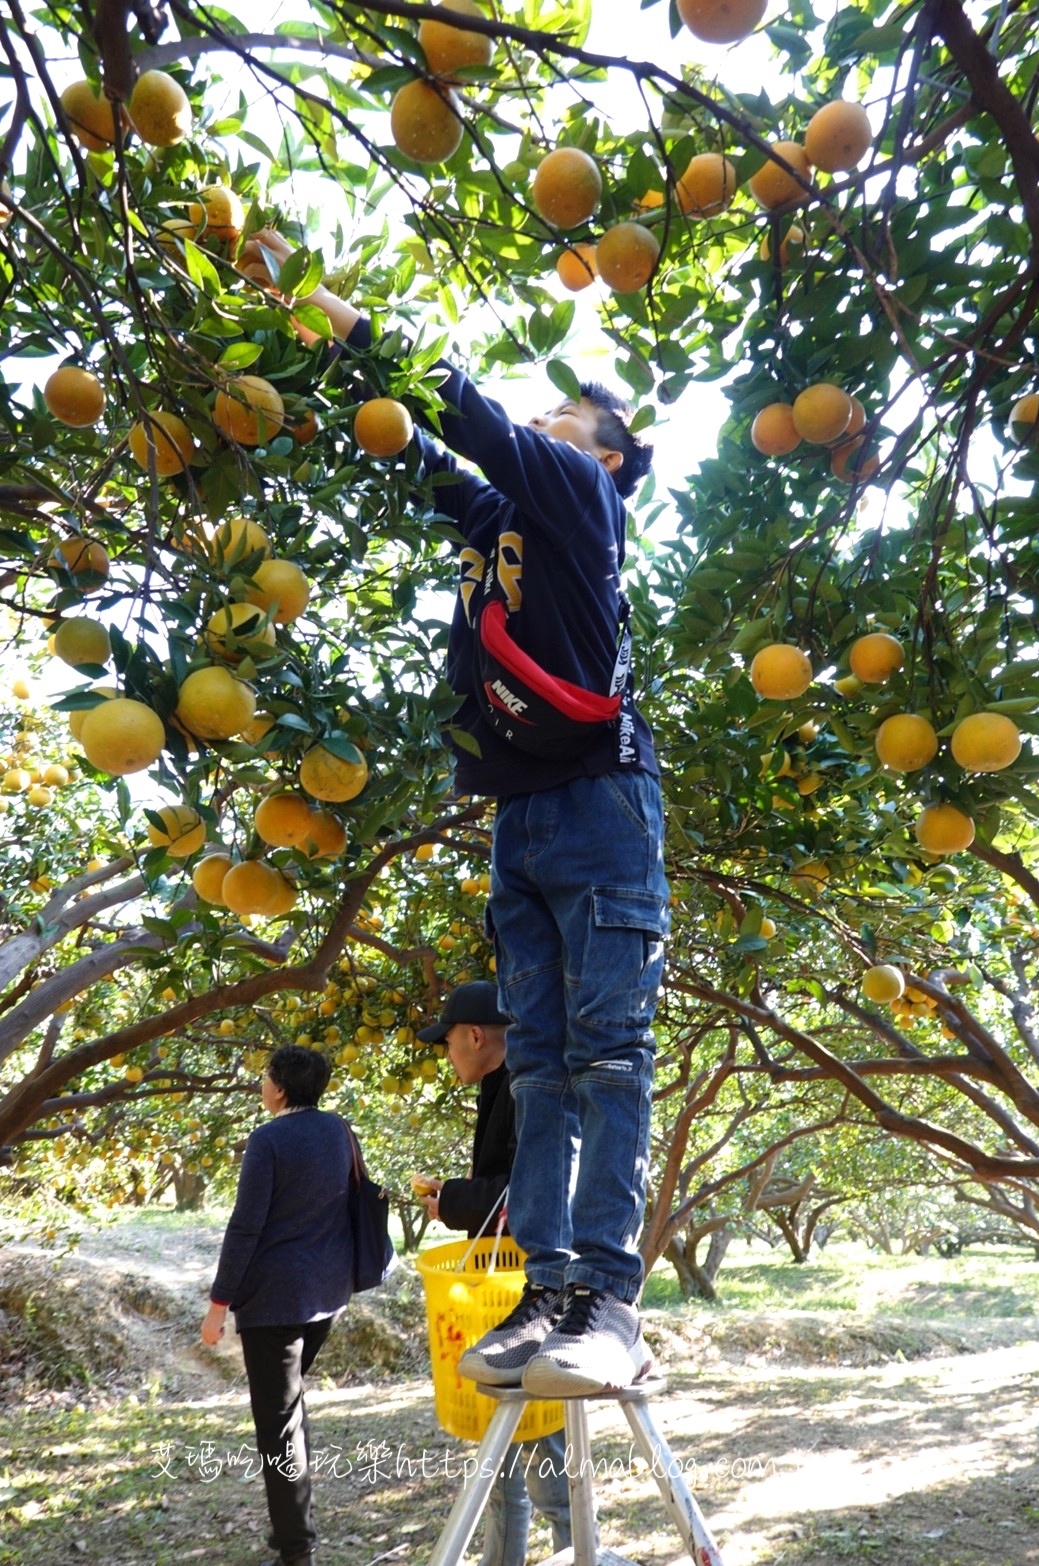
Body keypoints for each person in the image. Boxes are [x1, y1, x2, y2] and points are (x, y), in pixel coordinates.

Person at [242, 228, 670, 1398]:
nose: (547, 421)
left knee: (607, 1057)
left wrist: (318, 297)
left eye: (572, 414)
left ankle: (606, 1301)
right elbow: (418, 446)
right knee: (535, 1065)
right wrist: (308, 348)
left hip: (599, 805)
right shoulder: (503, 527)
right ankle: (543, 1291)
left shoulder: (580, 500)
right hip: (522, 817)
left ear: (613, 460)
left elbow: (457, 404)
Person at [413, 980, 573, 1566]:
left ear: (476, 1035)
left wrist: (451, 1200)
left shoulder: (527, 1090)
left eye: (450, 1040)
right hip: (509, 1289)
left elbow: (526, 1194)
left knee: (542, 1449)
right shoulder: (499, 1087)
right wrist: (454, 1197)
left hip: (536, 1290)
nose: (447, 1051)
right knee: (501, 1455)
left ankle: (574, 1555)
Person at [201, 1045, 356, 1566]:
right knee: (288, 1409)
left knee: (279, 1423)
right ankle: (294, 1529)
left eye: (265, 1077)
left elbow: (246, 1225)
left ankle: (296, 1549)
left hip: (275, 1303)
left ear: (281, 1088)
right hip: (326, 1297)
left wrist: (219, 1304)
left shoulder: (267, 1139)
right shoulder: (339, 1130)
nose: (261, 1084)